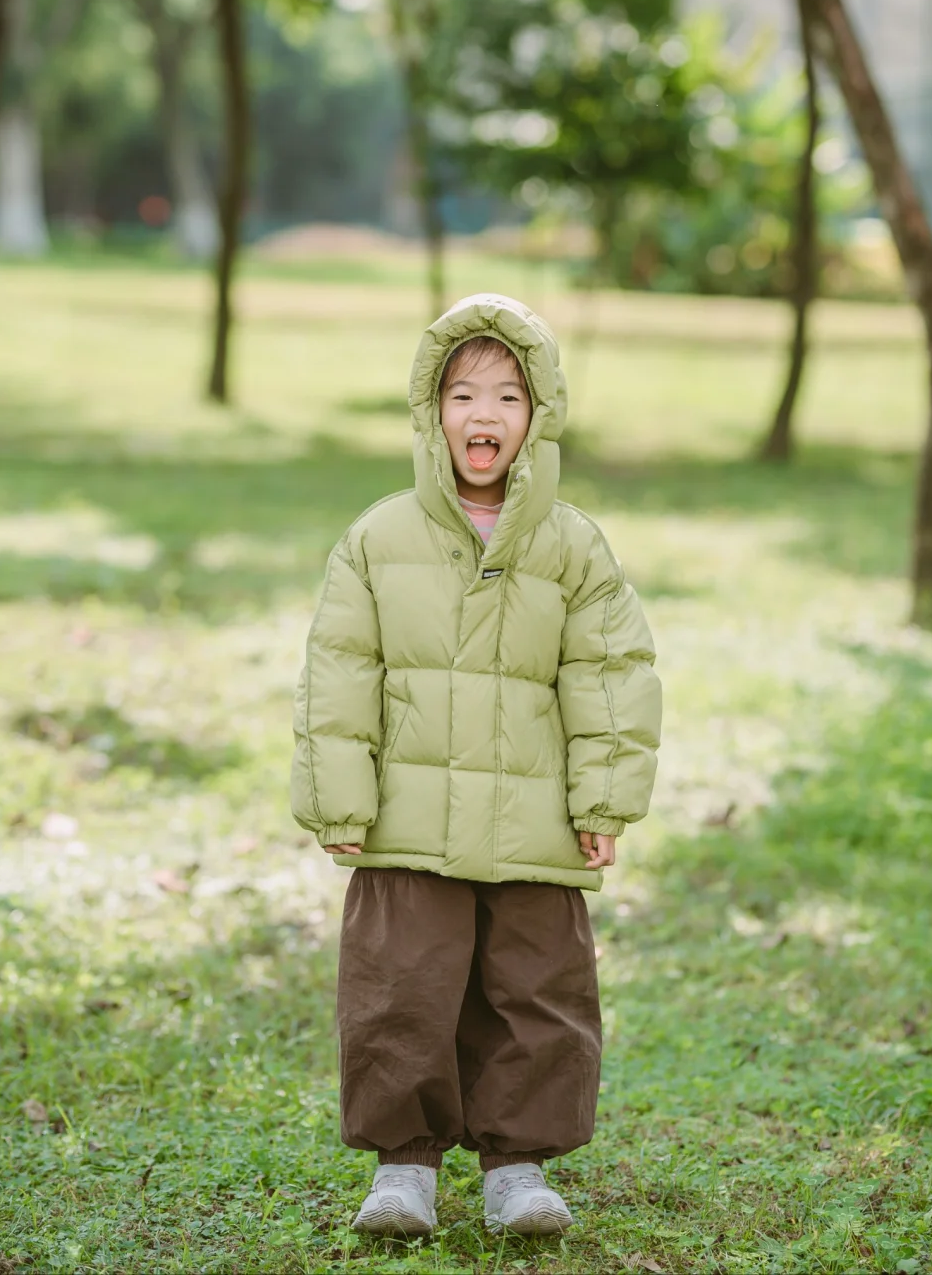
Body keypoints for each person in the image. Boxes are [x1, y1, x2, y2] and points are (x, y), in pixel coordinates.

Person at [291, 294, 662, 1237]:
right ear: (431, 411)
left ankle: (518, 1167)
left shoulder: (571, 545)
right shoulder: (378, 539)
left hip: (532, 820)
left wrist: (604, 799)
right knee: (398, 987)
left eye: (507, 394)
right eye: (462, 394)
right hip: (406, 822)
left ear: (539, 415)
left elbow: (610, 676)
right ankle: (403, 1168)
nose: (483, 415)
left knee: (537, 990)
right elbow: (341, 671)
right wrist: (342, 796)